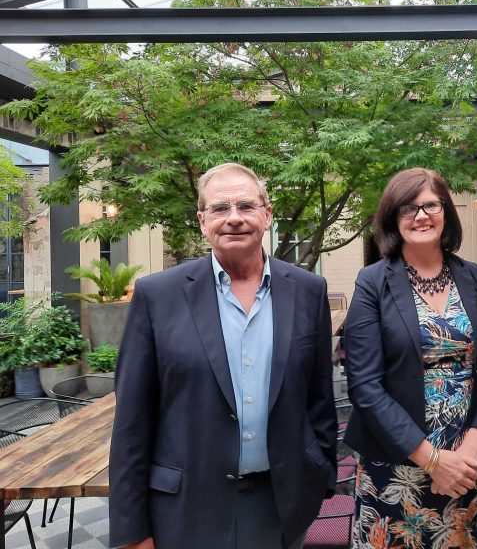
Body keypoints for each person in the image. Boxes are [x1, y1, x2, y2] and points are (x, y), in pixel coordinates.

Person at [109, 163, 337, 549]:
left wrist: (320, 474)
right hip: (184, 509)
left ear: (266, 215)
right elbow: (132, 421)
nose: (234, 218)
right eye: (220, 208)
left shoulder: (307, 290)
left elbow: (319, 399)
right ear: (202, 221)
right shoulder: (157, 296)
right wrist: (132, 531)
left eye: (246, 206)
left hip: (280, 505)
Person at [343, 168, 477, 548]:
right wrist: (434, 461)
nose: (421, 216)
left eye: (430, 205)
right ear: (393, 218)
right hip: (396, 469)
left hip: (467, 467)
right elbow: (365, 386)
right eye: (408, 208)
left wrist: (471, 451)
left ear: (446, 211)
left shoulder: (473, 277)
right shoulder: (372, 283)